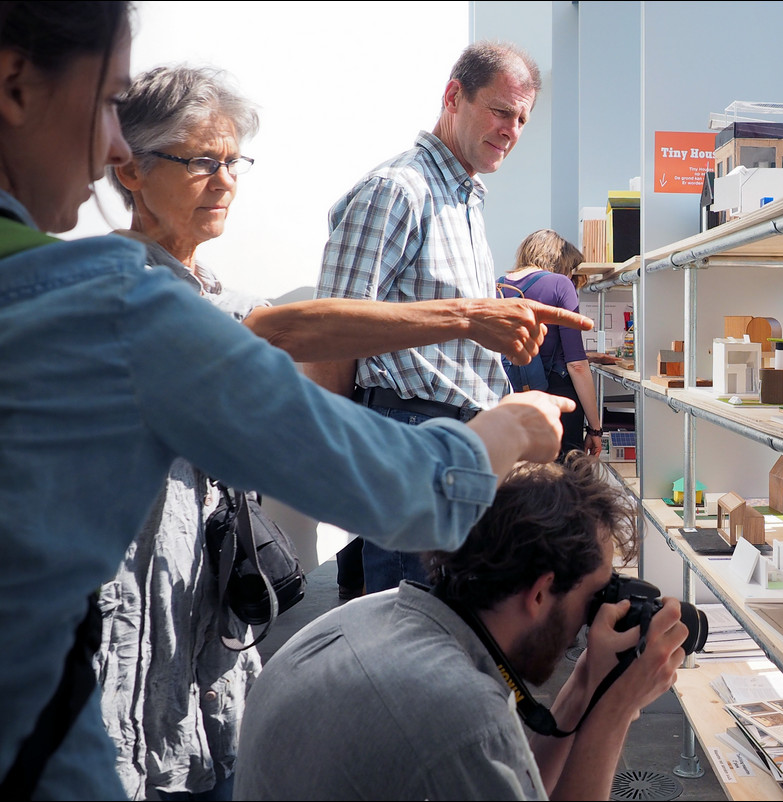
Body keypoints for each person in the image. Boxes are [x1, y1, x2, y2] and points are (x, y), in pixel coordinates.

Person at [0, 4, 573, 799]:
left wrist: (466, 318)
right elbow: (398, 482)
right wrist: (503, 432)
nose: (111, 144)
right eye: (105, 102)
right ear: (13, 85)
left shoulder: (21, 291)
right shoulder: (112, 308)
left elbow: (273, 324)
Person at [96, 63, 593, 801]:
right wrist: (474, 348)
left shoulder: (206, 292)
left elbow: (284, 322)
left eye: (233, 162)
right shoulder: (125, 295)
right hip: (143, 643)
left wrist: (471, 322)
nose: (225, 180)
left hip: (208, 635)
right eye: (202, 161)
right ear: (127, 170)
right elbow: (292, 330)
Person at [234, 453, 688, 800]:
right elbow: (470, 736)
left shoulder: (375, 614)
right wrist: (613, 711)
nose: (593, 618)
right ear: (539, 593)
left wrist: (586, 688)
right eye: (594, 596)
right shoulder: (462, 713)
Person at [308, 40, 545, 594]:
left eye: (522, 118)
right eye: (500, 110)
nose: (511, 129)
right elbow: (331, 332)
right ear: (453, 97)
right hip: (410, 443)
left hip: (454, 446)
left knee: (447, 637)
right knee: (410, 638)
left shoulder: (464, 199)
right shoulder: (398, 189)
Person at [499, 229, 605, 458]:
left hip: (511, 398)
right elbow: (576, 365)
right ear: (560, 261)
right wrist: (595, 428)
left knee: (521, 478)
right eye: (570, 270)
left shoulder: (499, 286)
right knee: (560, 483)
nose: (570, 277)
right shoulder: (559, 283)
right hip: (557, 399)